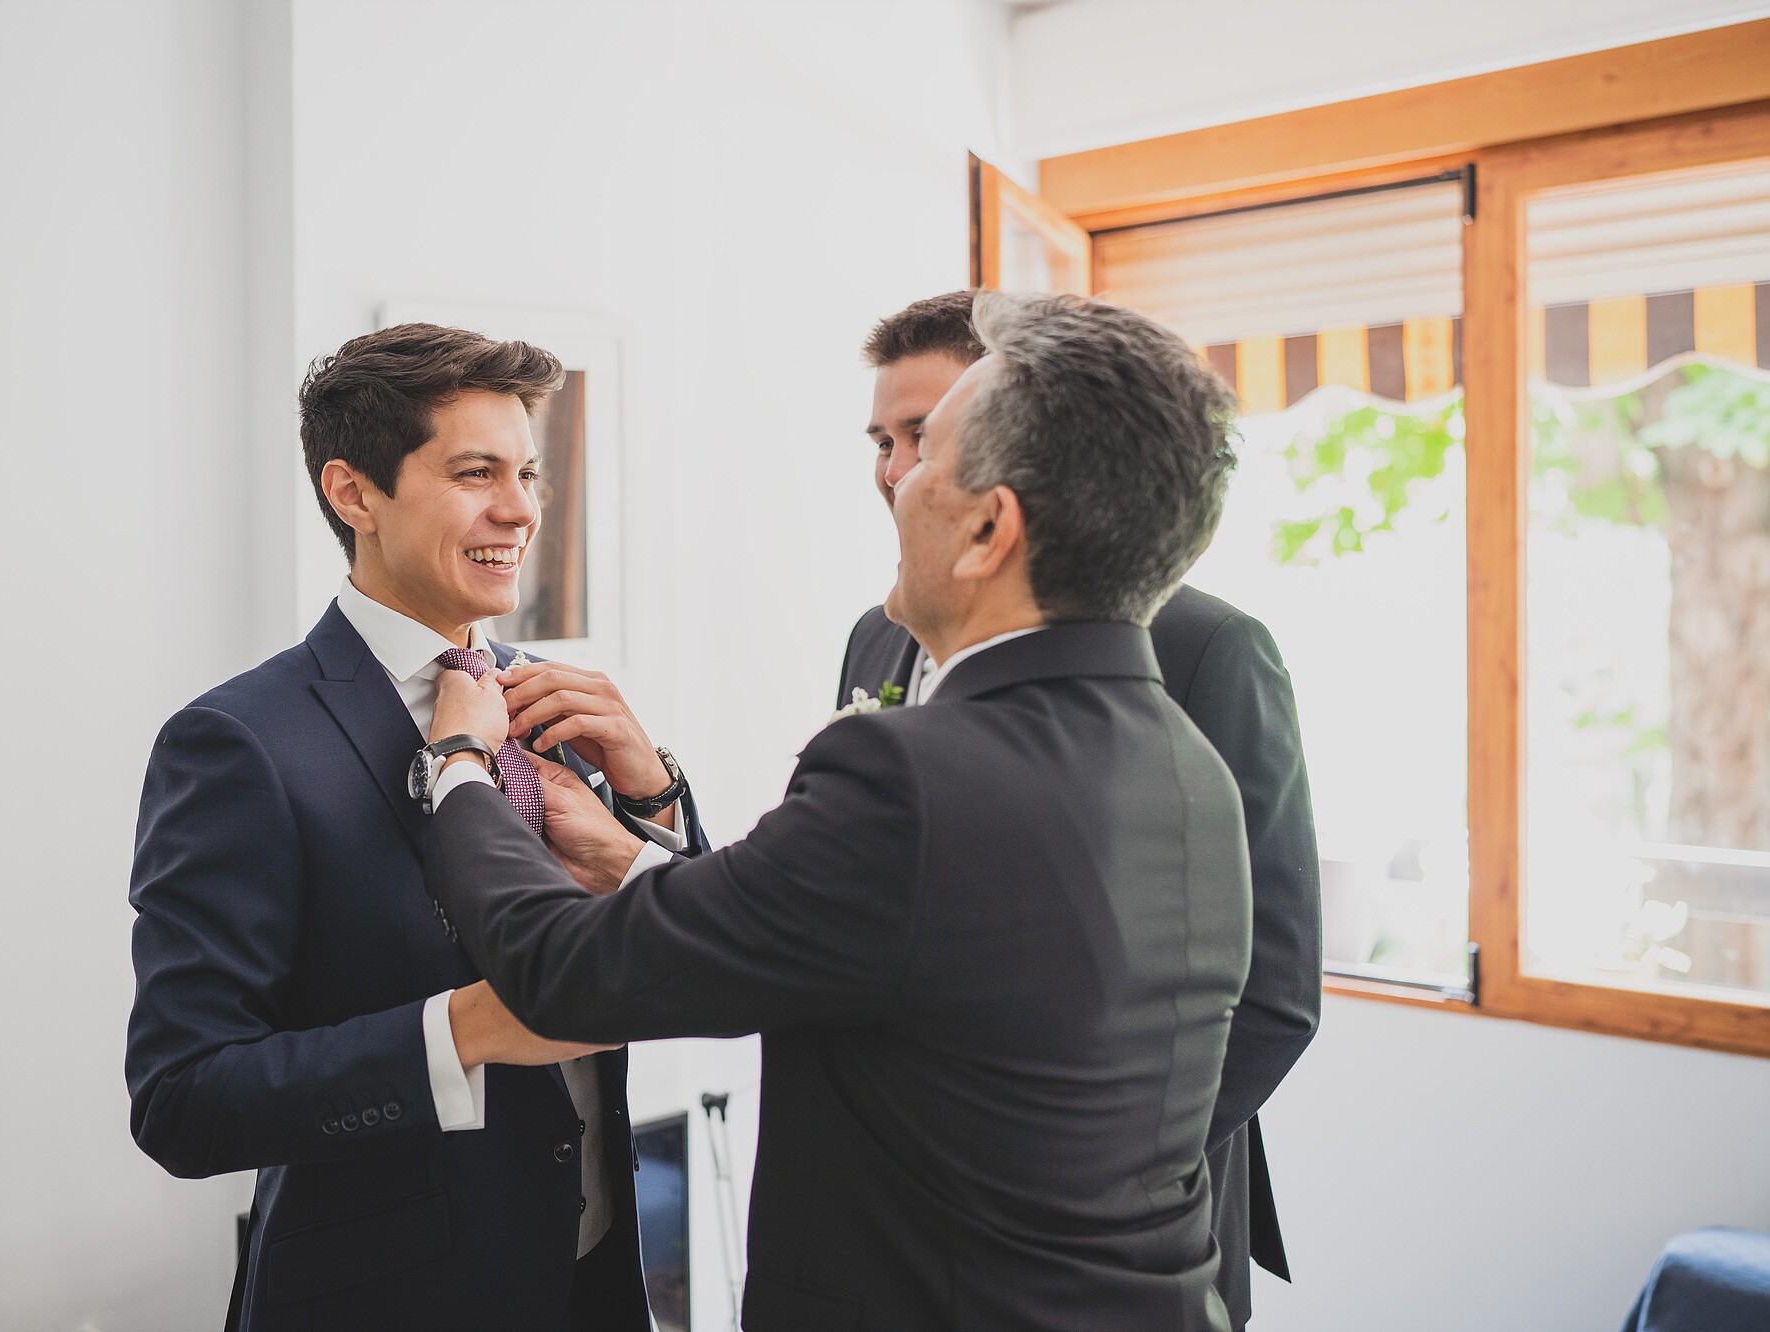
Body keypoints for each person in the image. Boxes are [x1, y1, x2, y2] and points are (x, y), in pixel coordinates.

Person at [422, 292, 1252, 1331]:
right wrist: (642, 842)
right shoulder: (1185, 767)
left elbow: (565, 972)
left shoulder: (912, 773)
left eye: (925, 458)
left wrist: (457, 764)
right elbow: (884, 950)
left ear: (990, 527)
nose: (892, 483)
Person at [125, 323, 708, 1331]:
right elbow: (182, 1097)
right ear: (354, 494)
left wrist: (652, 800)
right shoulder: (238, 743)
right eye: (476, 472)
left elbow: (697, 947)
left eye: (527, 473)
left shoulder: (551, 705)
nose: (519, 510)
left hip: (597, 1278)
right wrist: (472, 1030)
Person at [839, 290, 1323, 1329]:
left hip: (1123, 1233)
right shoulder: (873, 639)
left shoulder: (1205, 648)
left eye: (919, 435)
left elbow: (1274, 989)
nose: (892, 470)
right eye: (879, 439)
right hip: (905, 1218)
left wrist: (1083, 1184)